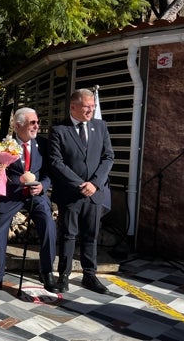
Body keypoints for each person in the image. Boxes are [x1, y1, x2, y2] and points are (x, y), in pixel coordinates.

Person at [0, 107, 58, 296]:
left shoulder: (43, 144)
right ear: (17, 126)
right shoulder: (4, 145)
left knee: (49, 224)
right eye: (32, 123)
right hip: (11, 194)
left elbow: (50, 173)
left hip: (35, 193)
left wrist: (42, 185)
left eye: (37, 122)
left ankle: (47, 272)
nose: (37, 126)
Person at [49, 88, 114, 294]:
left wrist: (94, 183)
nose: (91, 110)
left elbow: (108, 157)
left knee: (90, 236)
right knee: (68, 235)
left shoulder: (100, 126)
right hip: (71, 194)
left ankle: (89, 276)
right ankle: (64, 276)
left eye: (93, 106)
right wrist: (80, 184)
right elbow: (56, 162)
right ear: (73, 106)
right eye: (87, 106)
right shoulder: (59, 129)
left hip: (94, 193)